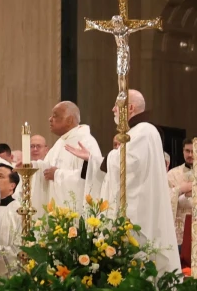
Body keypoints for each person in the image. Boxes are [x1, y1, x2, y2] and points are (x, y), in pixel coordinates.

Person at [65, 90, 181, 274]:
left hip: (139, 212)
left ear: (131, 108)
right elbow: (121, 163)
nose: (112, 110)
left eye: (116, 105)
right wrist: (94, 159)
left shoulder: (143, 130)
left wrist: (100, 159)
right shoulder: (138, 131)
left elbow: (129, 165)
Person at [31, 101, 103, 213]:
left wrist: (57, 174)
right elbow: (46, 168)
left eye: (55, 116)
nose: (50, 119)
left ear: (69, 120)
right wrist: (31, 167)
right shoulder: (60, 143)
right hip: (56, 214)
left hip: (76, 214)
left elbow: (90, 178)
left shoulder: (86, 142)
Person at [168, 138, 194, 252]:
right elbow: (163, 198)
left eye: (193, 151)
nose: (190, 154)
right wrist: (180, 189)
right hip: (179, 233)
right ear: (183, 151)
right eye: (187, 151)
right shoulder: (172, 174)